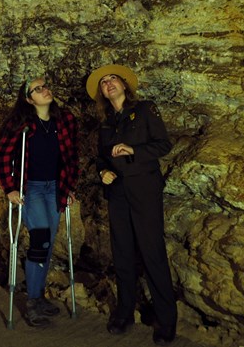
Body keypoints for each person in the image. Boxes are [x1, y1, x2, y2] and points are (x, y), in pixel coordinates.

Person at [86, 64, 177, 345]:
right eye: (103, 82)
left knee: (152, 253)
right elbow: (101, 157)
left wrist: (134, 150)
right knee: (122, 252)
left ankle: (166, 319)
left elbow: (164, 145)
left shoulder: (146, 109)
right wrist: (103, 172)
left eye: (113, 78)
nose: (108, 83)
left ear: (125, 85)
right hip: (118, 192)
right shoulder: (105, 122)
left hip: (145, 189)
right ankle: (125, 312)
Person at [0, 77, 79, 328]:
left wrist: (69, 186)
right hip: (31, 188)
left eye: (45, 86)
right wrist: (9, 187)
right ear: (29, 99)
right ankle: (32, 301)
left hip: (56, 187)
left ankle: (38, 296)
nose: (44, 90)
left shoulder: (66, 120)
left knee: (48, 242)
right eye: (37, 89)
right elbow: (1, 154)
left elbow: (72, 156)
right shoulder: (20, 124)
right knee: (40, 237)